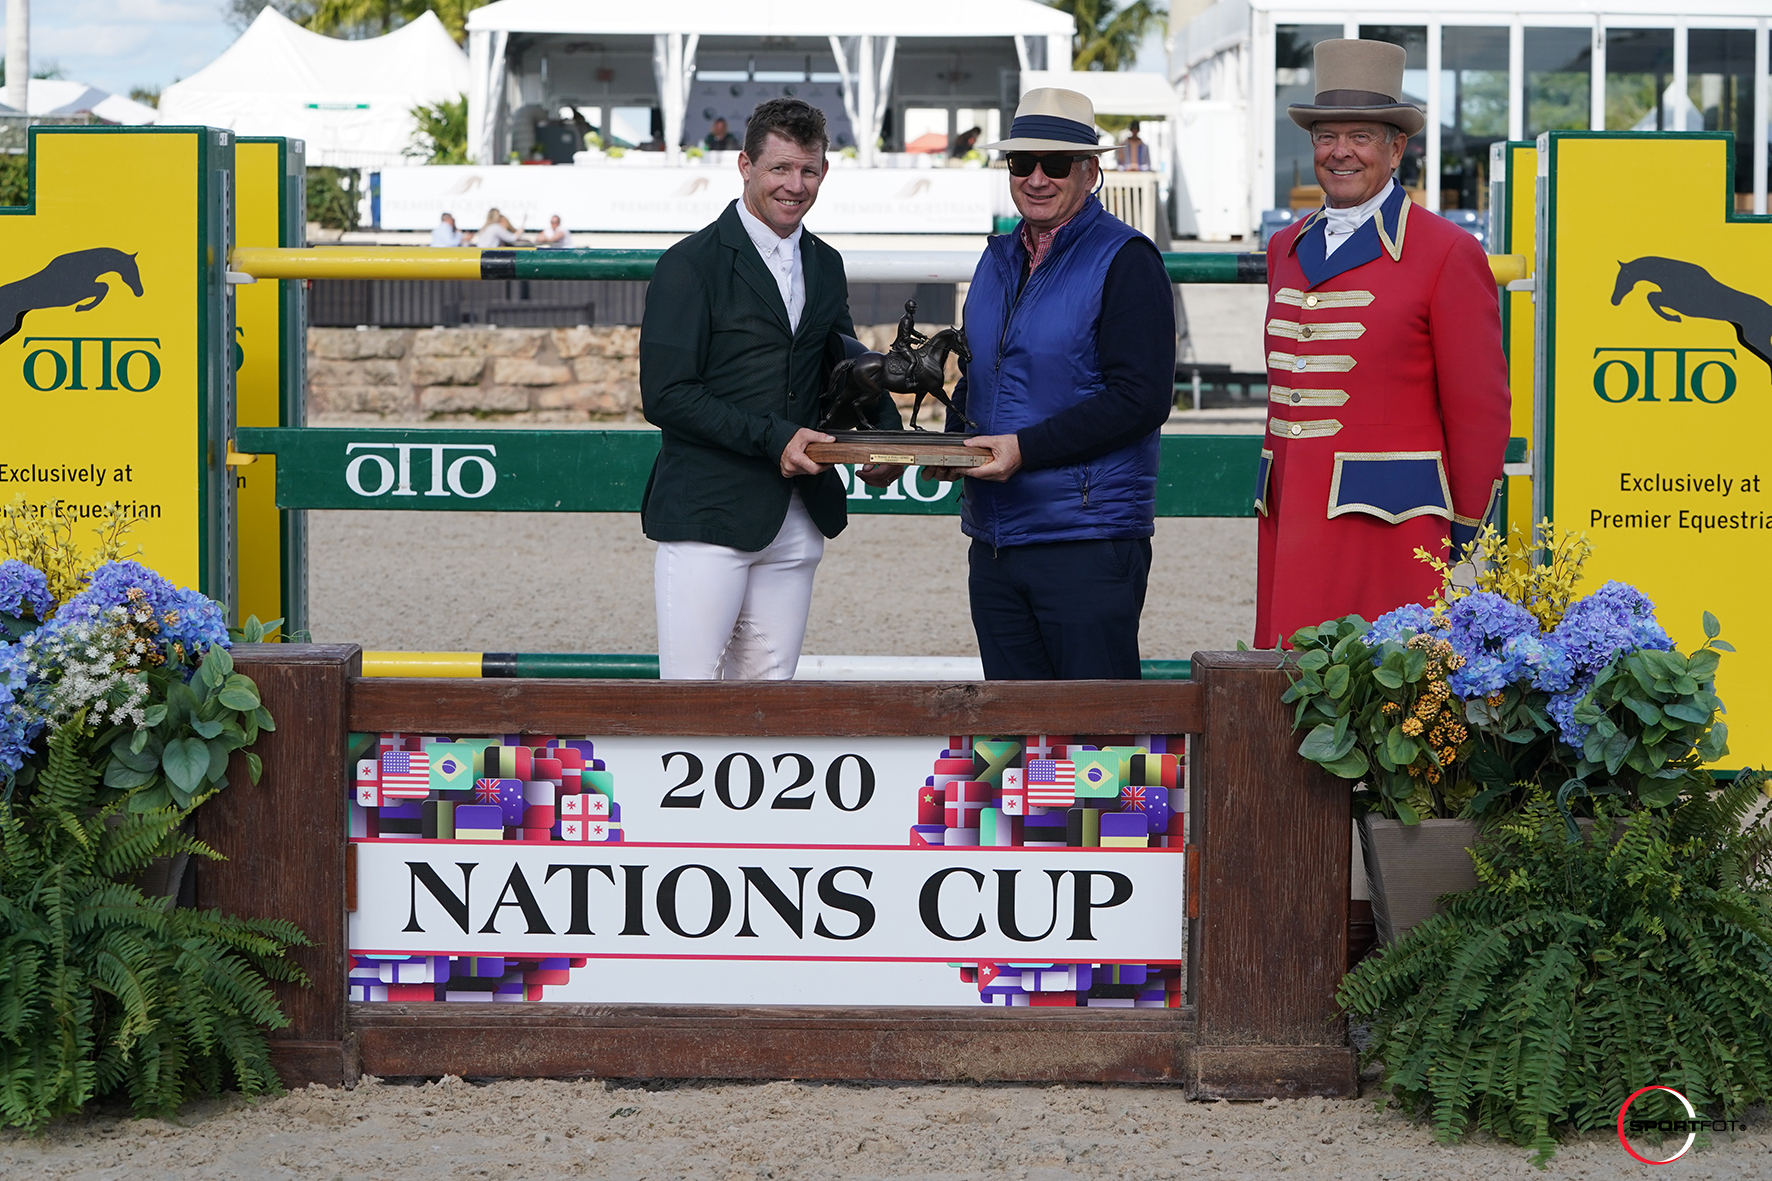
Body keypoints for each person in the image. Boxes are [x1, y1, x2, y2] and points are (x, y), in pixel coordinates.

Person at [1255, 39, 1509, 648]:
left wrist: (1464, 526)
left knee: (1385, 715)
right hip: (1291, 519)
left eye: (1361, 136)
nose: (1340, 152)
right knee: (1282, 700)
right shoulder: (1284, 248)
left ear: (1397, 149)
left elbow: (1478, 406)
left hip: (1391, 530)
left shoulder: (1446, 250)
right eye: (1326, 136)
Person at [639, 98, 904, 680]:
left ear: (824, 172)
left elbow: (843, 361)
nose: (795, 185)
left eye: (808, 170)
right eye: (780, 168)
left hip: (799, 517)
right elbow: (666, 395)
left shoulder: (826, 262)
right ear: (745, 166)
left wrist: (887, 434)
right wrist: (774, 437)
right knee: (688, 699)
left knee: (768, 702)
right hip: (706, 515)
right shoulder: (687, 265)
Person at [932, 88, 1175, 681]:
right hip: (996, 541)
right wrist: (939, 448)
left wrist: (1025, 449)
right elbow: (976, 376)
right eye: (1022, 162)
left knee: (1097, 748)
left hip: (1085, 540)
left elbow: (1141, 399)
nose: (1037, 177)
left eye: (1056, 163)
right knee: (1019, 747)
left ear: (1091, 171)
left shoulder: (1126, 258)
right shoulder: (997, 257)